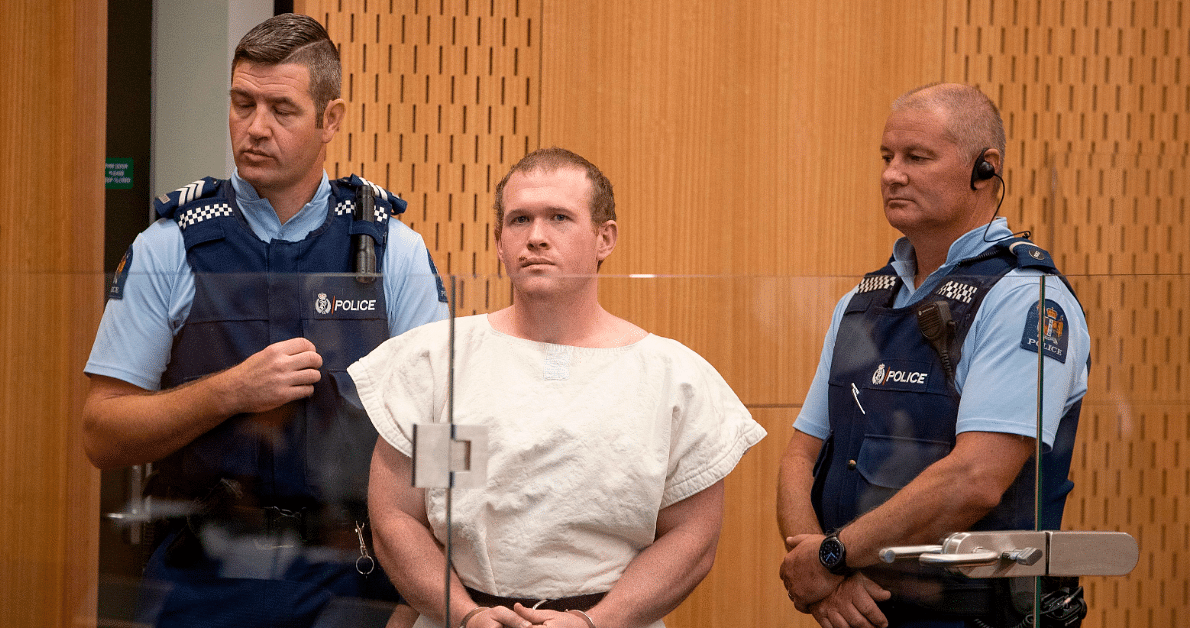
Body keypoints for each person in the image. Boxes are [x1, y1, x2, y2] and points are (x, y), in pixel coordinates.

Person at [82, 13, 448, 627]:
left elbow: (446, 435)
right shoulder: (168, 246)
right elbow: (101, 433)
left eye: (282, 109)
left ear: (330, 120)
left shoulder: (393, 251)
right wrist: (230, 392)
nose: (255, 128)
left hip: (352, 574)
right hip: (204, 569)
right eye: (242, 103)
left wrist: (420, 596)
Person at [350, 147, 766, 628]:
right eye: (520, 219)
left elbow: (692, 539)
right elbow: (397, 518)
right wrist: (465, 615)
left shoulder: (674, 378)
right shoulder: (439, 362)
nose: (537, 237)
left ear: (604, 238)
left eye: (560, 218)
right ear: (499, 242)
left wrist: (597, 622)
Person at [776, 83, 1091, 628]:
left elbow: (975, 479)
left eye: (917, 157)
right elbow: (800, 457)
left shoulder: (1025, 299)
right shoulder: (861, 301)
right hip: (856, 611)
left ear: (984, 169)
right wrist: (823, 579)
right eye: (887, 157)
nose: (892, 174)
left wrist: (832, 557)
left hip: (974, 616)